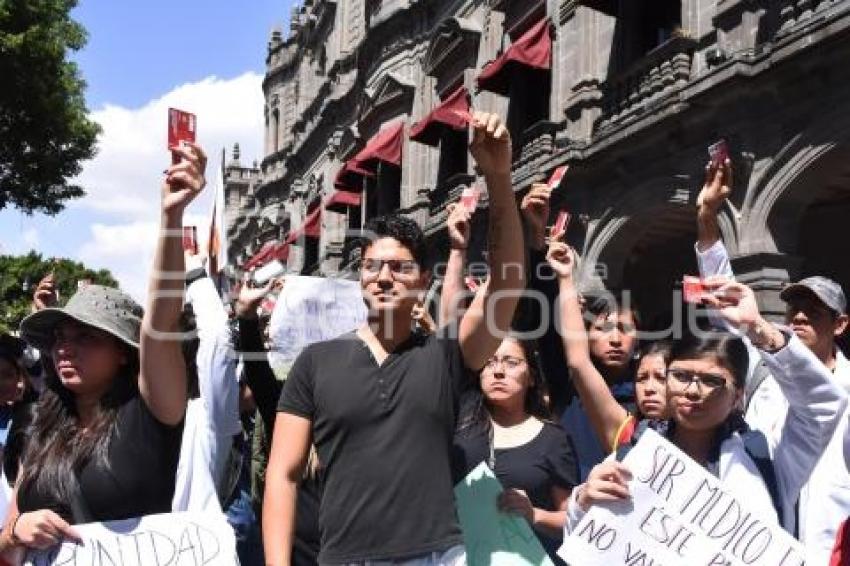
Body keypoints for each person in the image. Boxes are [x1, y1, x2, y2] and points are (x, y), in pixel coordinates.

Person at [263, 111, 525, 565]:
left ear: (424, 280)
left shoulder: (448, 357)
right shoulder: (315, 363)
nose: (384, 277)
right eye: (372, 267)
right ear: (361, 277)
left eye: (400, 267)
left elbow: (506, 285)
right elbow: (283, 476)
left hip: (438, 556)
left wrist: (499, 177)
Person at [549, 238, 848, 537]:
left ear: (738, 396)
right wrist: (583, 502)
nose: (692, 391)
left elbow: (822, 406)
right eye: (680, 376)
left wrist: (758, 327)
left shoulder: (768, 456)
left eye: (711, 381)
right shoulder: (635, 450)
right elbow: (588, 538)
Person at [0, 142, 206, 557]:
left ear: (125, 353)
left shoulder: (152, 415)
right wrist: (16, 529)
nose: (64, 349)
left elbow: (161, 324)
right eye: (59, 338)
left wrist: (171, 218)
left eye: (85, 338)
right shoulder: (40, 426)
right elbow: (6, 542)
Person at [695, 154, 850, 563]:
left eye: (813, 311)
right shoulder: (764, 363)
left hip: (831, 540)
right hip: (760, 533)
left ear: (840, 324)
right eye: (793, 308)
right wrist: (708, 217)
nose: (799, 317)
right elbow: (723, 298)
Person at [452, 334, 578, 565]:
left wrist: (534, 514)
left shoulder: (553, 439)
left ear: (531, 376)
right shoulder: (459, 426)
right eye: (489, 362)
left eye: (511, 362)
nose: (498, 371)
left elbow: (571, 520)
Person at [172, 252, 242, 514]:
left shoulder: (210, 414)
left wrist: (195, 276)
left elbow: (216, 341)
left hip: (194, 549)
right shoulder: (139, 409)